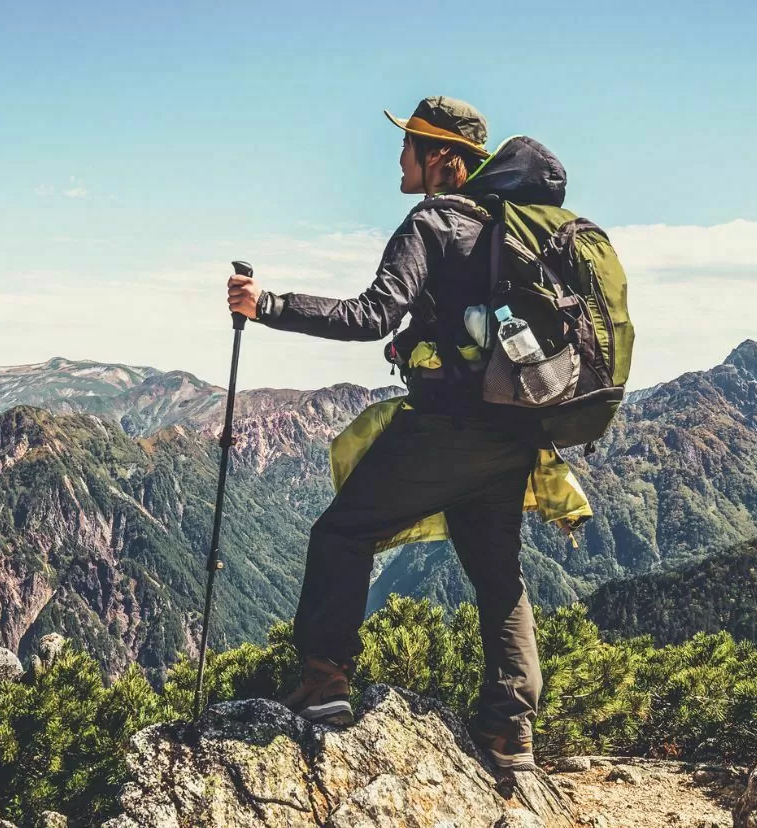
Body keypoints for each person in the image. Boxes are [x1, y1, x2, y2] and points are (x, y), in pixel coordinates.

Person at [226, 96, 572, 771]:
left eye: (410, 143)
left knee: (342, 532)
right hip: (515, 431)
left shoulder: (435, 221)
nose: (399, 156)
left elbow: (370, 314)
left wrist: (268, 305)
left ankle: (326, 684)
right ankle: (510, 730)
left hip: (449, 427)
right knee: (498, 577)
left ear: (442, 157)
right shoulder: (511, 229)